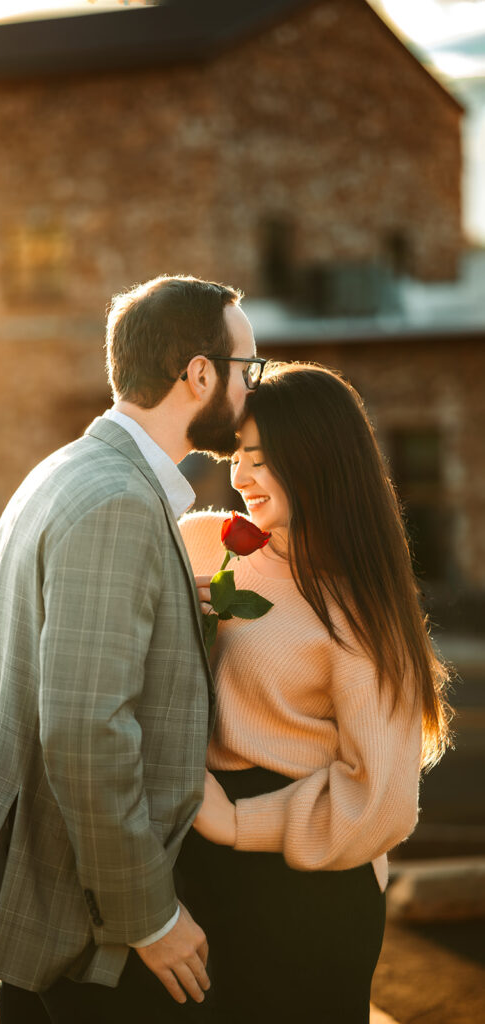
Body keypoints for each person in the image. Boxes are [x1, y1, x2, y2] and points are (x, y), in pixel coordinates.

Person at [0, 274, 264, 1024]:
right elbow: (85, 728)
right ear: (199, 374)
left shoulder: (63, 472)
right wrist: (150, 917)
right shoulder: (117, 501)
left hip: (49, 906)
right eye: (249, 368)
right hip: (95, 934)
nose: (254, 388)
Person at [177, 361, 453, 1024]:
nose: (240, 477)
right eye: (239, 456)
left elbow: (379, 804)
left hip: (305, 892)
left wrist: (236, 823)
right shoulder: (200, 544)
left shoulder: (360, 608)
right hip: (194, 870)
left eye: (263, 459)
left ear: (319, 464)